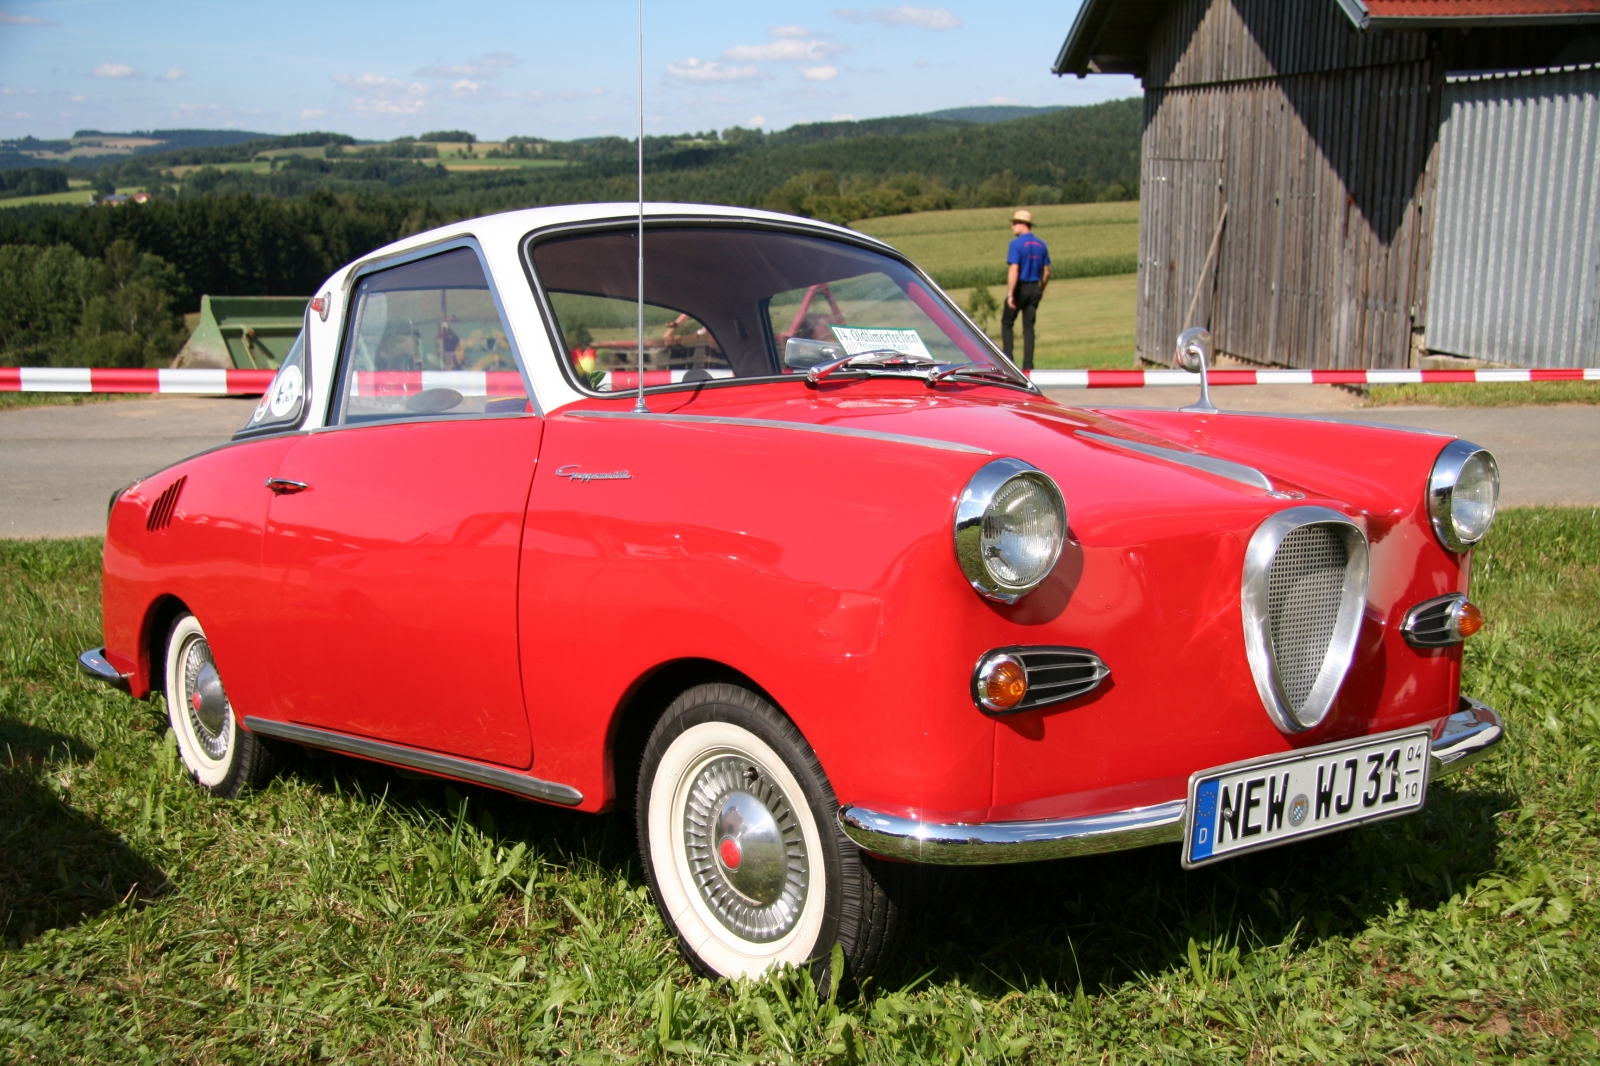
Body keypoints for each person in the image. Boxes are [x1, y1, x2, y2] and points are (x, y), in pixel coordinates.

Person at [1002, 209, 1050, 371]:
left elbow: (1014, 269)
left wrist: (1010, 294)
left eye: (1015, 223)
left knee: (1007, 323)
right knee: (1028, 327)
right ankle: (1028, 366)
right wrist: (1041, 289)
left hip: (1020, 287)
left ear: (1023, 225)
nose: (1013, 227)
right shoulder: (1041, 245)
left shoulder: (1016, 244)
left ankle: (1008, 363)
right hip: (1034, 287)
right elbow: (1047, 271)